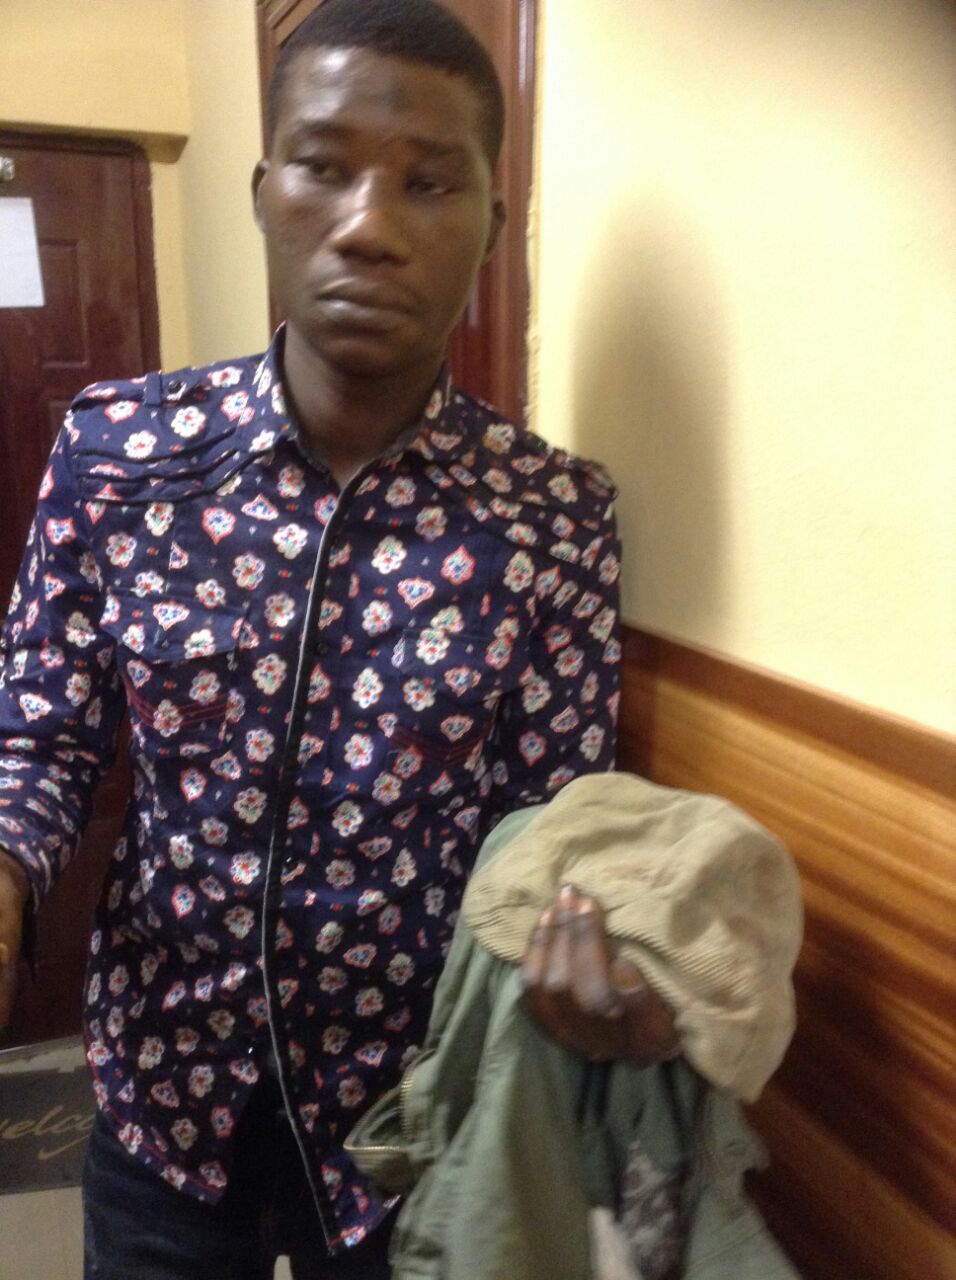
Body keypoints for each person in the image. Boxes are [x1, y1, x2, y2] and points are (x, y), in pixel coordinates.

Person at [0, 2, 675, 1276]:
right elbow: (39, 732)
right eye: (323, 166)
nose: (368, 226)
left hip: (400, 1127)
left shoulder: (554, 516)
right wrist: (4, 866)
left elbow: (547, 819)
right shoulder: (119, 455)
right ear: (264, 192)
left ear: (490, 222)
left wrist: (598, 945)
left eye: (429, 182)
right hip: (163, 1103)